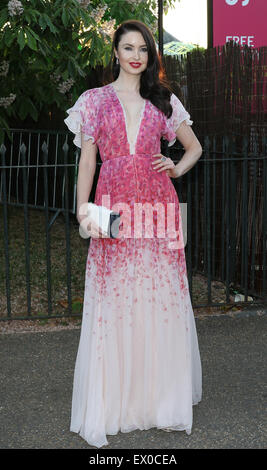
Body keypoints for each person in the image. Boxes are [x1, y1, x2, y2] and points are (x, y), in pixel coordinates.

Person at [64, 19, 202, 449]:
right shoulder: (93, 101)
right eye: (128, 47)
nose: (136, 55)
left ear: (149, 55)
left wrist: (175, 166)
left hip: (157, 207)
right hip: (113, 205)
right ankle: (116, 404)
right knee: (115, 296)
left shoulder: (163, 101)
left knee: (159, 298)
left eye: (143, 48)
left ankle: (158, 401)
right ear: (116, 53)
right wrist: (82, 210)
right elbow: (87, 162)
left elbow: (194, 146)